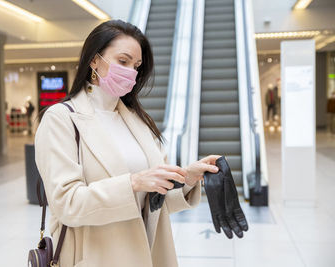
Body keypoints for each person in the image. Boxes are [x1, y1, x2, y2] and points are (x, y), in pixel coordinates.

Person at [34, 20, 221, 267]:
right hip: (97, 257)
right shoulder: (61, 119)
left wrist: (186, 179)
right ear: (94, 60)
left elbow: (153, 202)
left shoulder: (137, 121)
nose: (131, 71)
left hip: (149, 254)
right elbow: (67, 203)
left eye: (136, 65)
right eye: (123, 61)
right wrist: (132, 183)